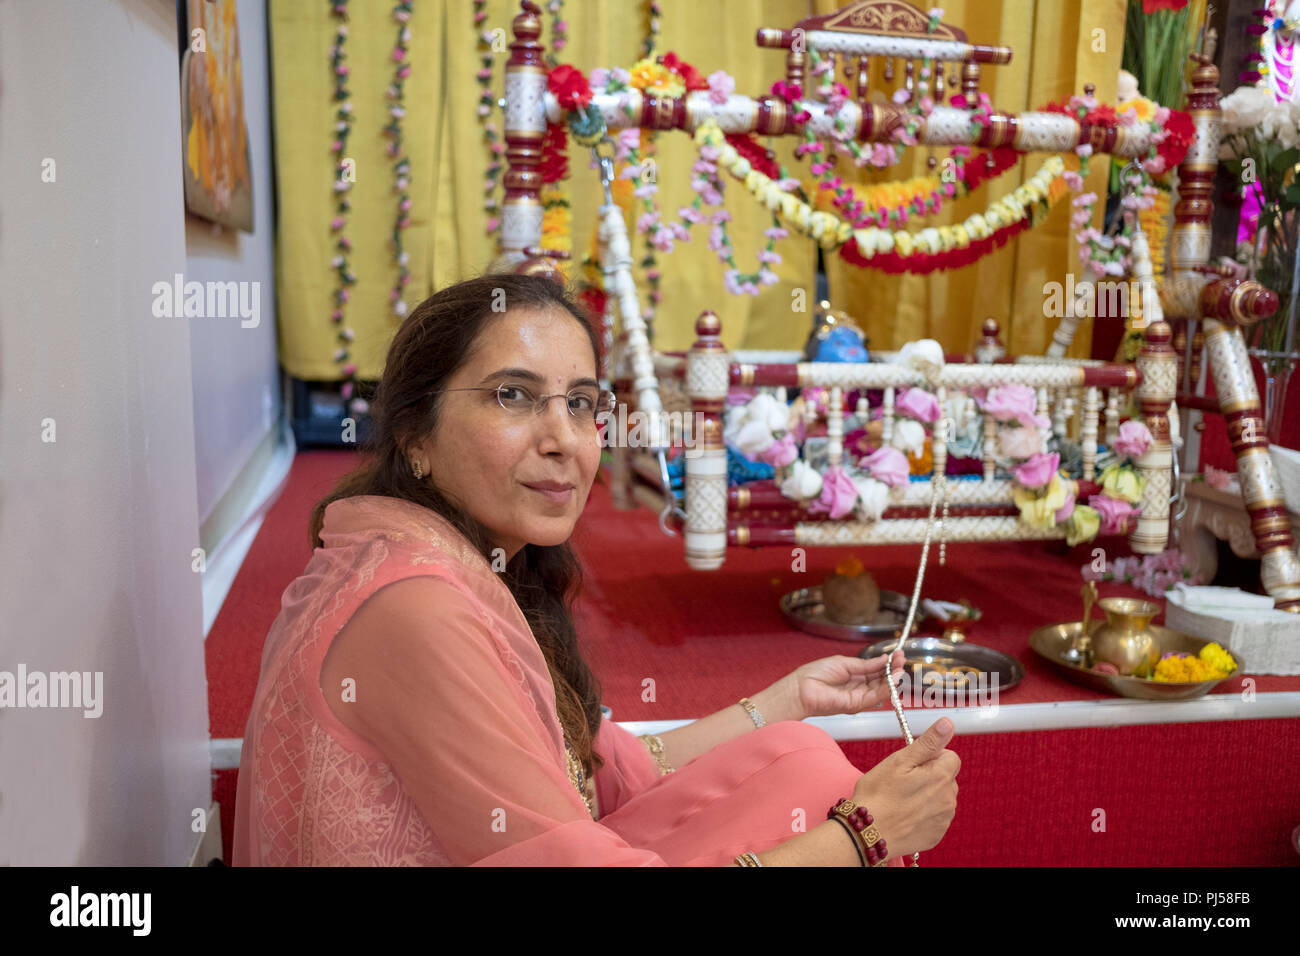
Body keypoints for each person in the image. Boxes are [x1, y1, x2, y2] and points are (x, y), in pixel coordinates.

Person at [232, 273, 960, 866]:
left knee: (801, 757)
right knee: (831, 803)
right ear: (414, 435)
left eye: (581, 404)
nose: (564, 441)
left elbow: (595, 774)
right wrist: (861, 836)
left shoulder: (456, 561)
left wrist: (789, 699)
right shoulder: (415, 607)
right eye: (512, 396)